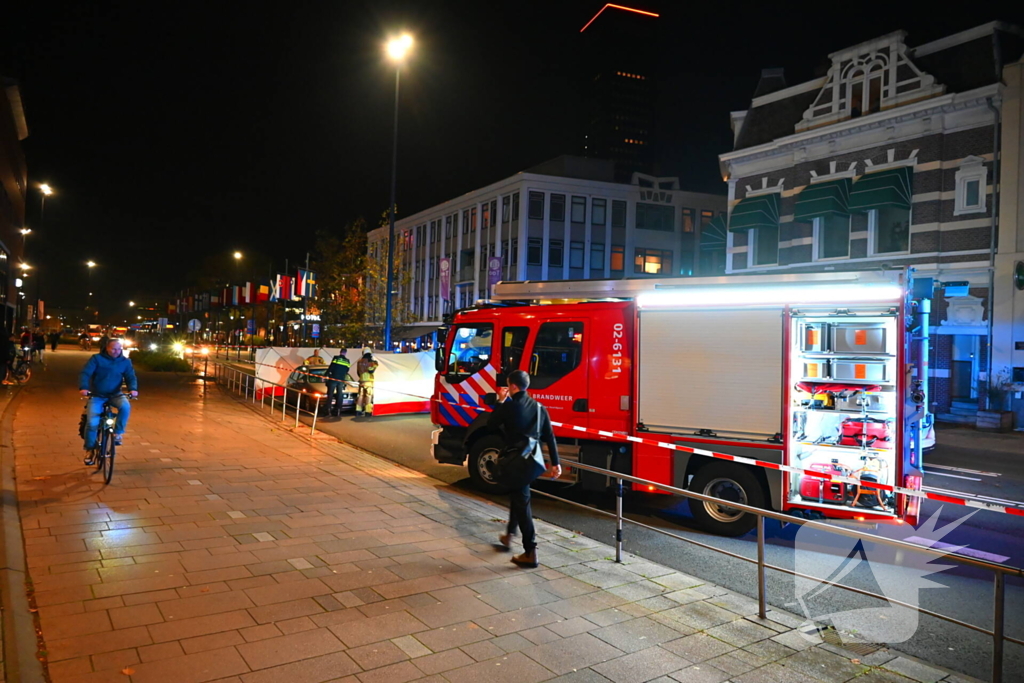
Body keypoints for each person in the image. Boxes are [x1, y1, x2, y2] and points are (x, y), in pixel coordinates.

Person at [487, 369, 561, 568]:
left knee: (522, 504)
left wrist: (500, 401)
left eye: (508, 386)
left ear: (512, 386)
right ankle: (510, 534)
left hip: (515, 463)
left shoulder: (509, 407)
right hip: (531, 462)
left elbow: (490, 424)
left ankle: (530, 551)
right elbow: (549, 437)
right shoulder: (539, 408)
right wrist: (556, 463)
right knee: (519, 496)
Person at [79, 339, 138, 463]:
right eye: (113, 349)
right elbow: (85, 373)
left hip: (115, 394)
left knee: (125, 407)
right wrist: (84, 387)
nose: (116, 351)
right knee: (92, 423)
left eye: (118, 348)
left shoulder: (125, 362)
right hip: (97, 395)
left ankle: (118, 433)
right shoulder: (96, 359)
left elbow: (130, 376)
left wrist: (133, 389)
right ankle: (89, 449)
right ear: (107, 348)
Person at [324, 349, 351, 417]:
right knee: (339, 395)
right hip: (341, 380)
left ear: (340, 352)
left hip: (333, 378)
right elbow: (347, 370)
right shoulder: (347, 361)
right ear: (345, 353)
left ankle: (328, 411)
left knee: (330, 395)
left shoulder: (336, 358)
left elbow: (331, 367)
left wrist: (325, 375)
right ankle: (338, 410)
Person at [355, 349, 378, 417]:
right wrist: (375, 364)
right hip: (369, 381)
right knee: (368, 396)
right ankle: (368, 411)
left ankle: (358, 410)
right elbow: (371, 371)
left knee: (360, 396)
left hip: (362, 381)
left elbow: (358, 372)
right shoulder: (371, 362)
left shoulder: (359, 361)